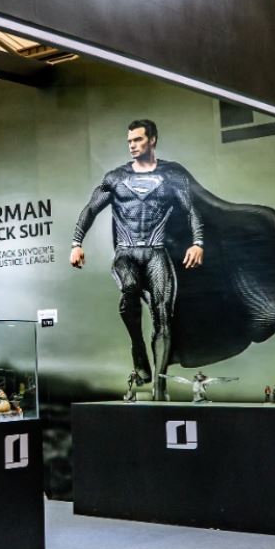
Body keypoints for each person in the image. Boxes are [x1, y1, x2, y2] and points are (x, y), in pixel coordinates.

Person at [71, 119, 203, 402]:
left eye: (138, 140)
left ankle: (160, 386)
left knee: (163, 315)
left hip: (156, 252)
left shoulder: (171, 176)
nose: (132, 145)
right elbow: (90, 209)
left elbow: (192, 210)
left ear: (152, 139)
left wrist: (198, 243)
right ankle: (138, 349)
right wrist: (76, 243)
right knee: (129, 291)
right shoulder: (116, 178)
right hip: (126, 253)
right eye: (129, 141)